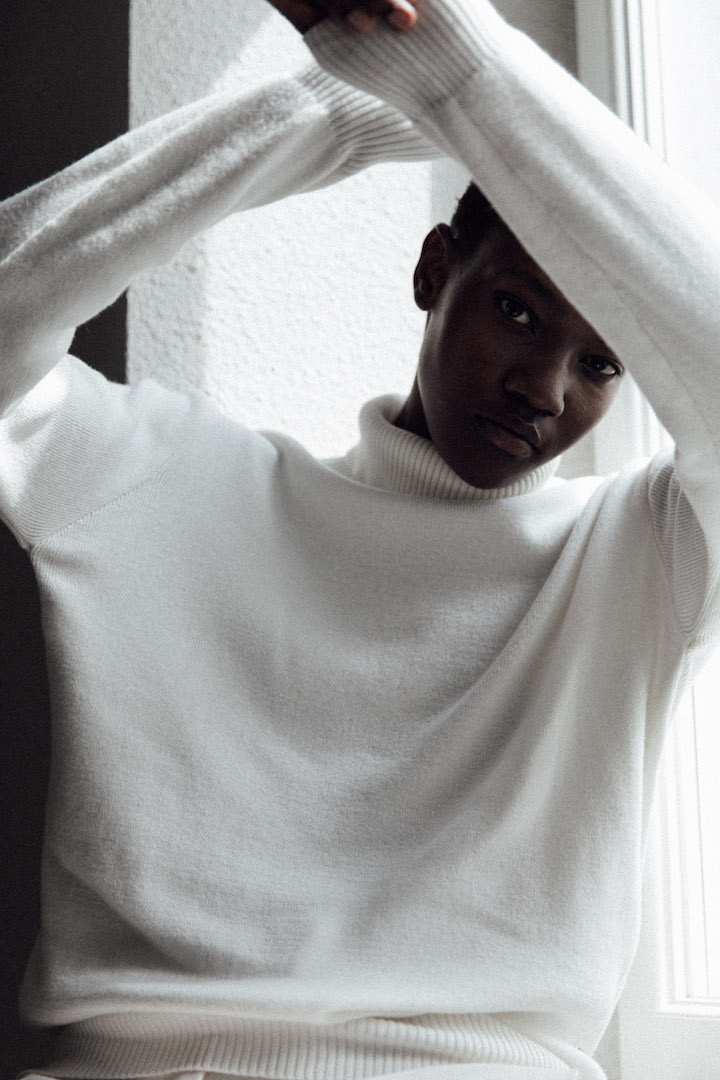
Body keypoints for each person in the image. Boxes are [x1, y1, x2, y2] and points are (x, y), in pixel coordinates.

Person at [2, 0, 720, 1078]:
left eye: (602, 363)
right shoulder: (167, 480)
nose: (544, 388)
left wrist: (462, 77)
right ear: (435, 271)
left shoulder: (641, 556)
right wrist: (340, 109)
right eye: (519, 312)